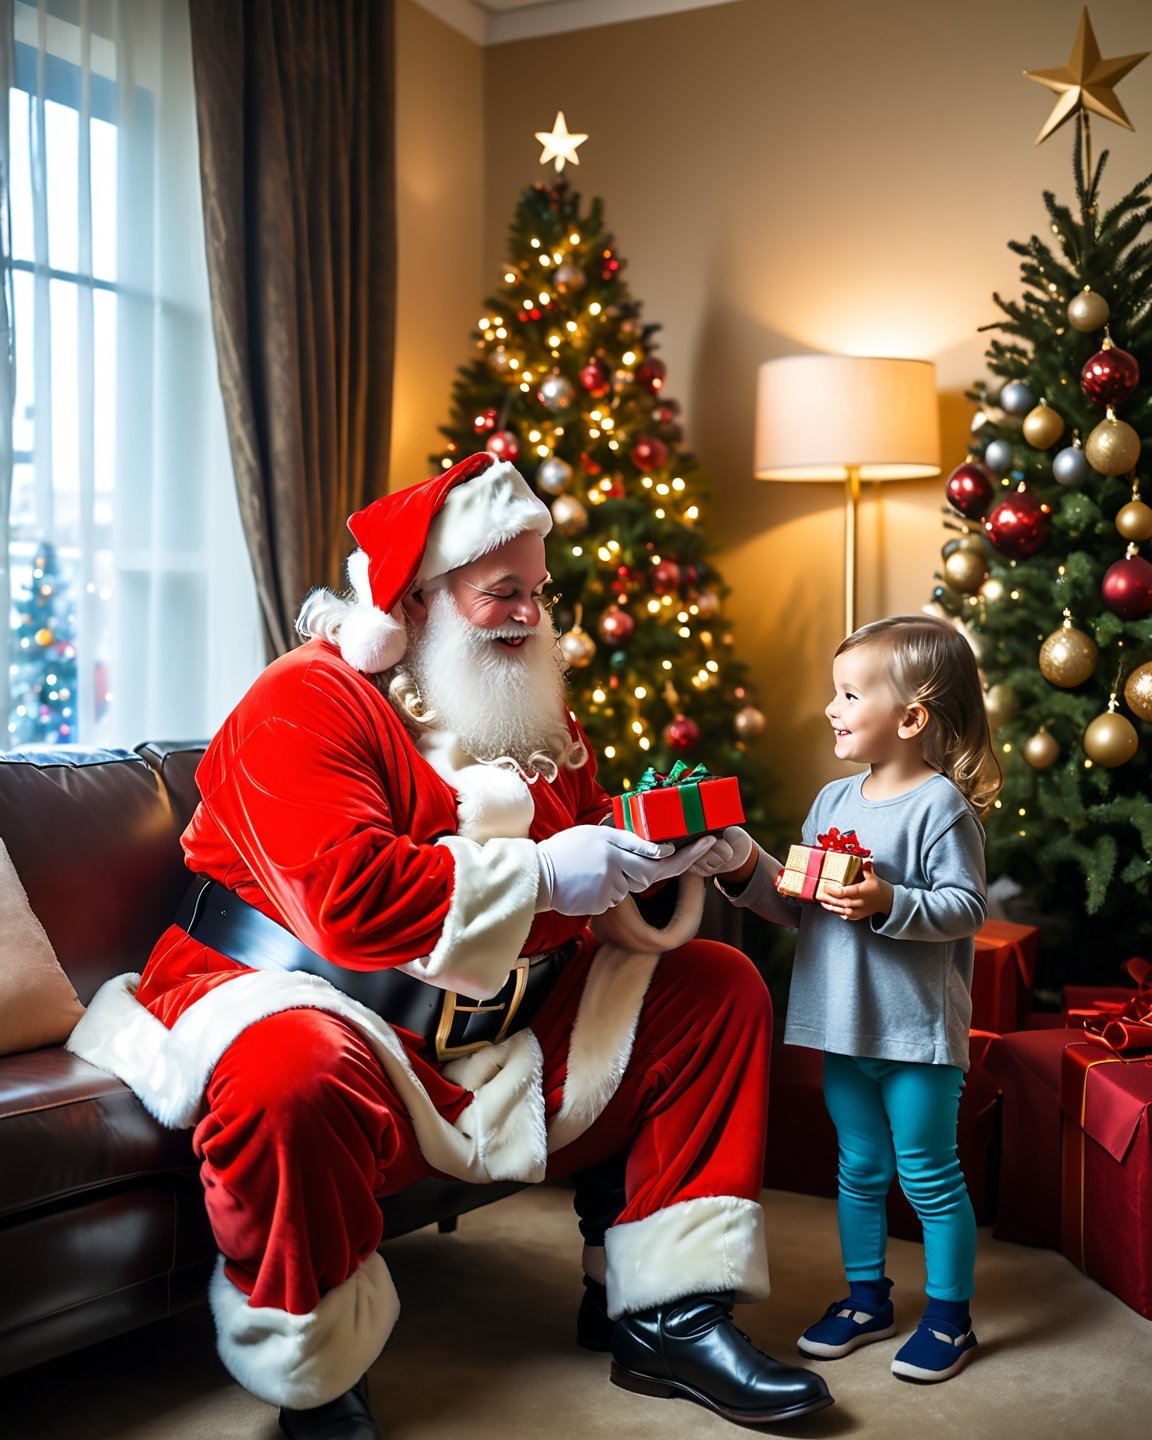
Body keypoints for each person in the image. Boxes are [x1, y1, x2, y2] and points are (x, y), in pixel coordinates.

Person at [67, 451, 833, 1439]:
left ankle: (667, 1316)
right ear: (419, 599)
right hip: (307, 999)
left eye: (538, 593)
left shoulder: (536, 713)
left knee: (712, 988)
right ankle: (318, 1376)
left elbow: (592, 877)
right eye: (499, 591)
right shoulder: (306, 700)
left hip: (491, 1022)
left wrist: (672, 857)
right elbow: (351, 903)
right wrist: (556, 872)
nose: (527, 615)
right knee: (287, 1072)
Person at [699, 614, 1001, 1384]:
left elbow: (967, 908)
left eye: (848, 694)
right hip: (843, 1025)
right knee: (859, 1168)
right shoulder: (832, 802)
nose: (831, 708)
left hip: (917, 1037)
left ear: (910, 718)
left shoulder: (941, 808)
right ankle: (866, 1298)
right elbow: (796, 899)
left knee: (929, 1175)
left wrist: (887, 900)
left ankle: (949, 1317)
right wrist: (739, 861)